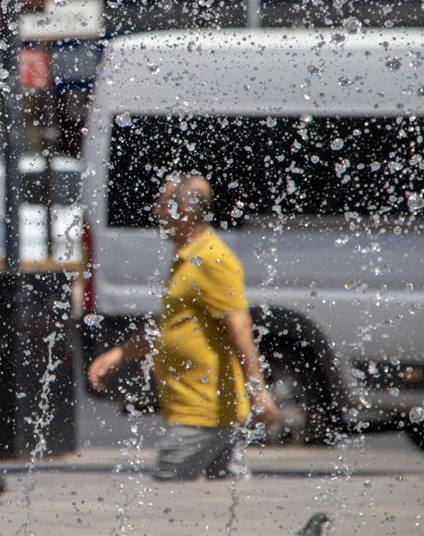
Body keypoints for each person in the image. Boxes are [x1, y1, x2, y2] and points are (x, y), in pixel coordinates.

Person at [87, 173, 281, 481]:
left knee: (166, 489)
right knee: (227, 500)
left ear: (185, 211)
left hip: (203, 411)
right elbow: (171, 326)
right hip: (207, 410)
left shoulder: (212, 259)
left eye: (164, 205)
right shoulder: (187, 259)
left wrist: (258, 392)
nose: (156, 212)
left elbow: (240, 328)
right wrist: (120, 354)